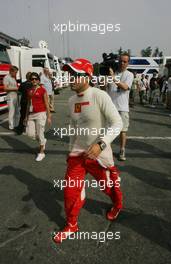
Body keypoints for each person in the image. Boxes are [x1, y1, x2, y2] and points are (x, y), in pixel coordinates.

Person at [53, 58, 123, 243]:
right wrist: (70, 152)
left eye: (76, 75)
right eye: (70, 74)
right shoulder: (71, 100)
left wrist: (101, 144)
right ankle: (71, 224)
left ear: (88, 76)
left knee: (109, 188)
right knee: (69, 191)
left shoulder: (100, 95)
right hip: (78, 155)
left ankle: (117, 205)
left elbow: (118, 123)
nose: (71, 78)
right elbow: (74, 128)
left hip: (100, 156)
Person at [107, 53, 134, 161]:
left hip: (122, 108)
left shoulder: (129, 75)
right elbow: (106, 88)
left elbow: (125, 87)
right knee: (108, 130)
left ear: (128, 63)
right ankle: (106, 150)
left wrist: (113, 78)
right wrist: (107, 78)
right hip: (111, 107)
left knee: (123, 131)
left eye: (124, 61)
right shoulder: (113, 73)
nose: (122, 63)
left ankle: (122, 150)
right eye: (120, 61)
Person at [25, 72, 51, 161]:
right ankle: (43, 140)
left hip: (41, 113)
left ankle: (41, 152)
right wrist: (26, 116)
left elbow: (47, 104)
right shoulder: (29, 90)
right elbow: (28, 104)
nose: (34, 80)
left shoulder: (42, 90)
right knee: (30, 133)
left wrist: (49, 116)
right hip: (31, 114)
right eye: (32, 79)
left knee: (40, 133)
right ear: (30, 80)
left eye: (36, 79)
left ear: (38, 80)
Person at [3, 65, 20, 130]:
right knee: (11, 112)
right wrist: (15, 88)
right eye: (15, 72)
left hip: (15, 97)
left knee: (17, 112)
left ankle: (16, 125)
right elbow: (5, 88)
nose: (16, 74)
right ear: (11, 71)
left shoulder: (13, 78)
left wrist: (18, 91)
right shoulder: (6, 77)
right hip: (10, 97)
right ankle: (11, 126)